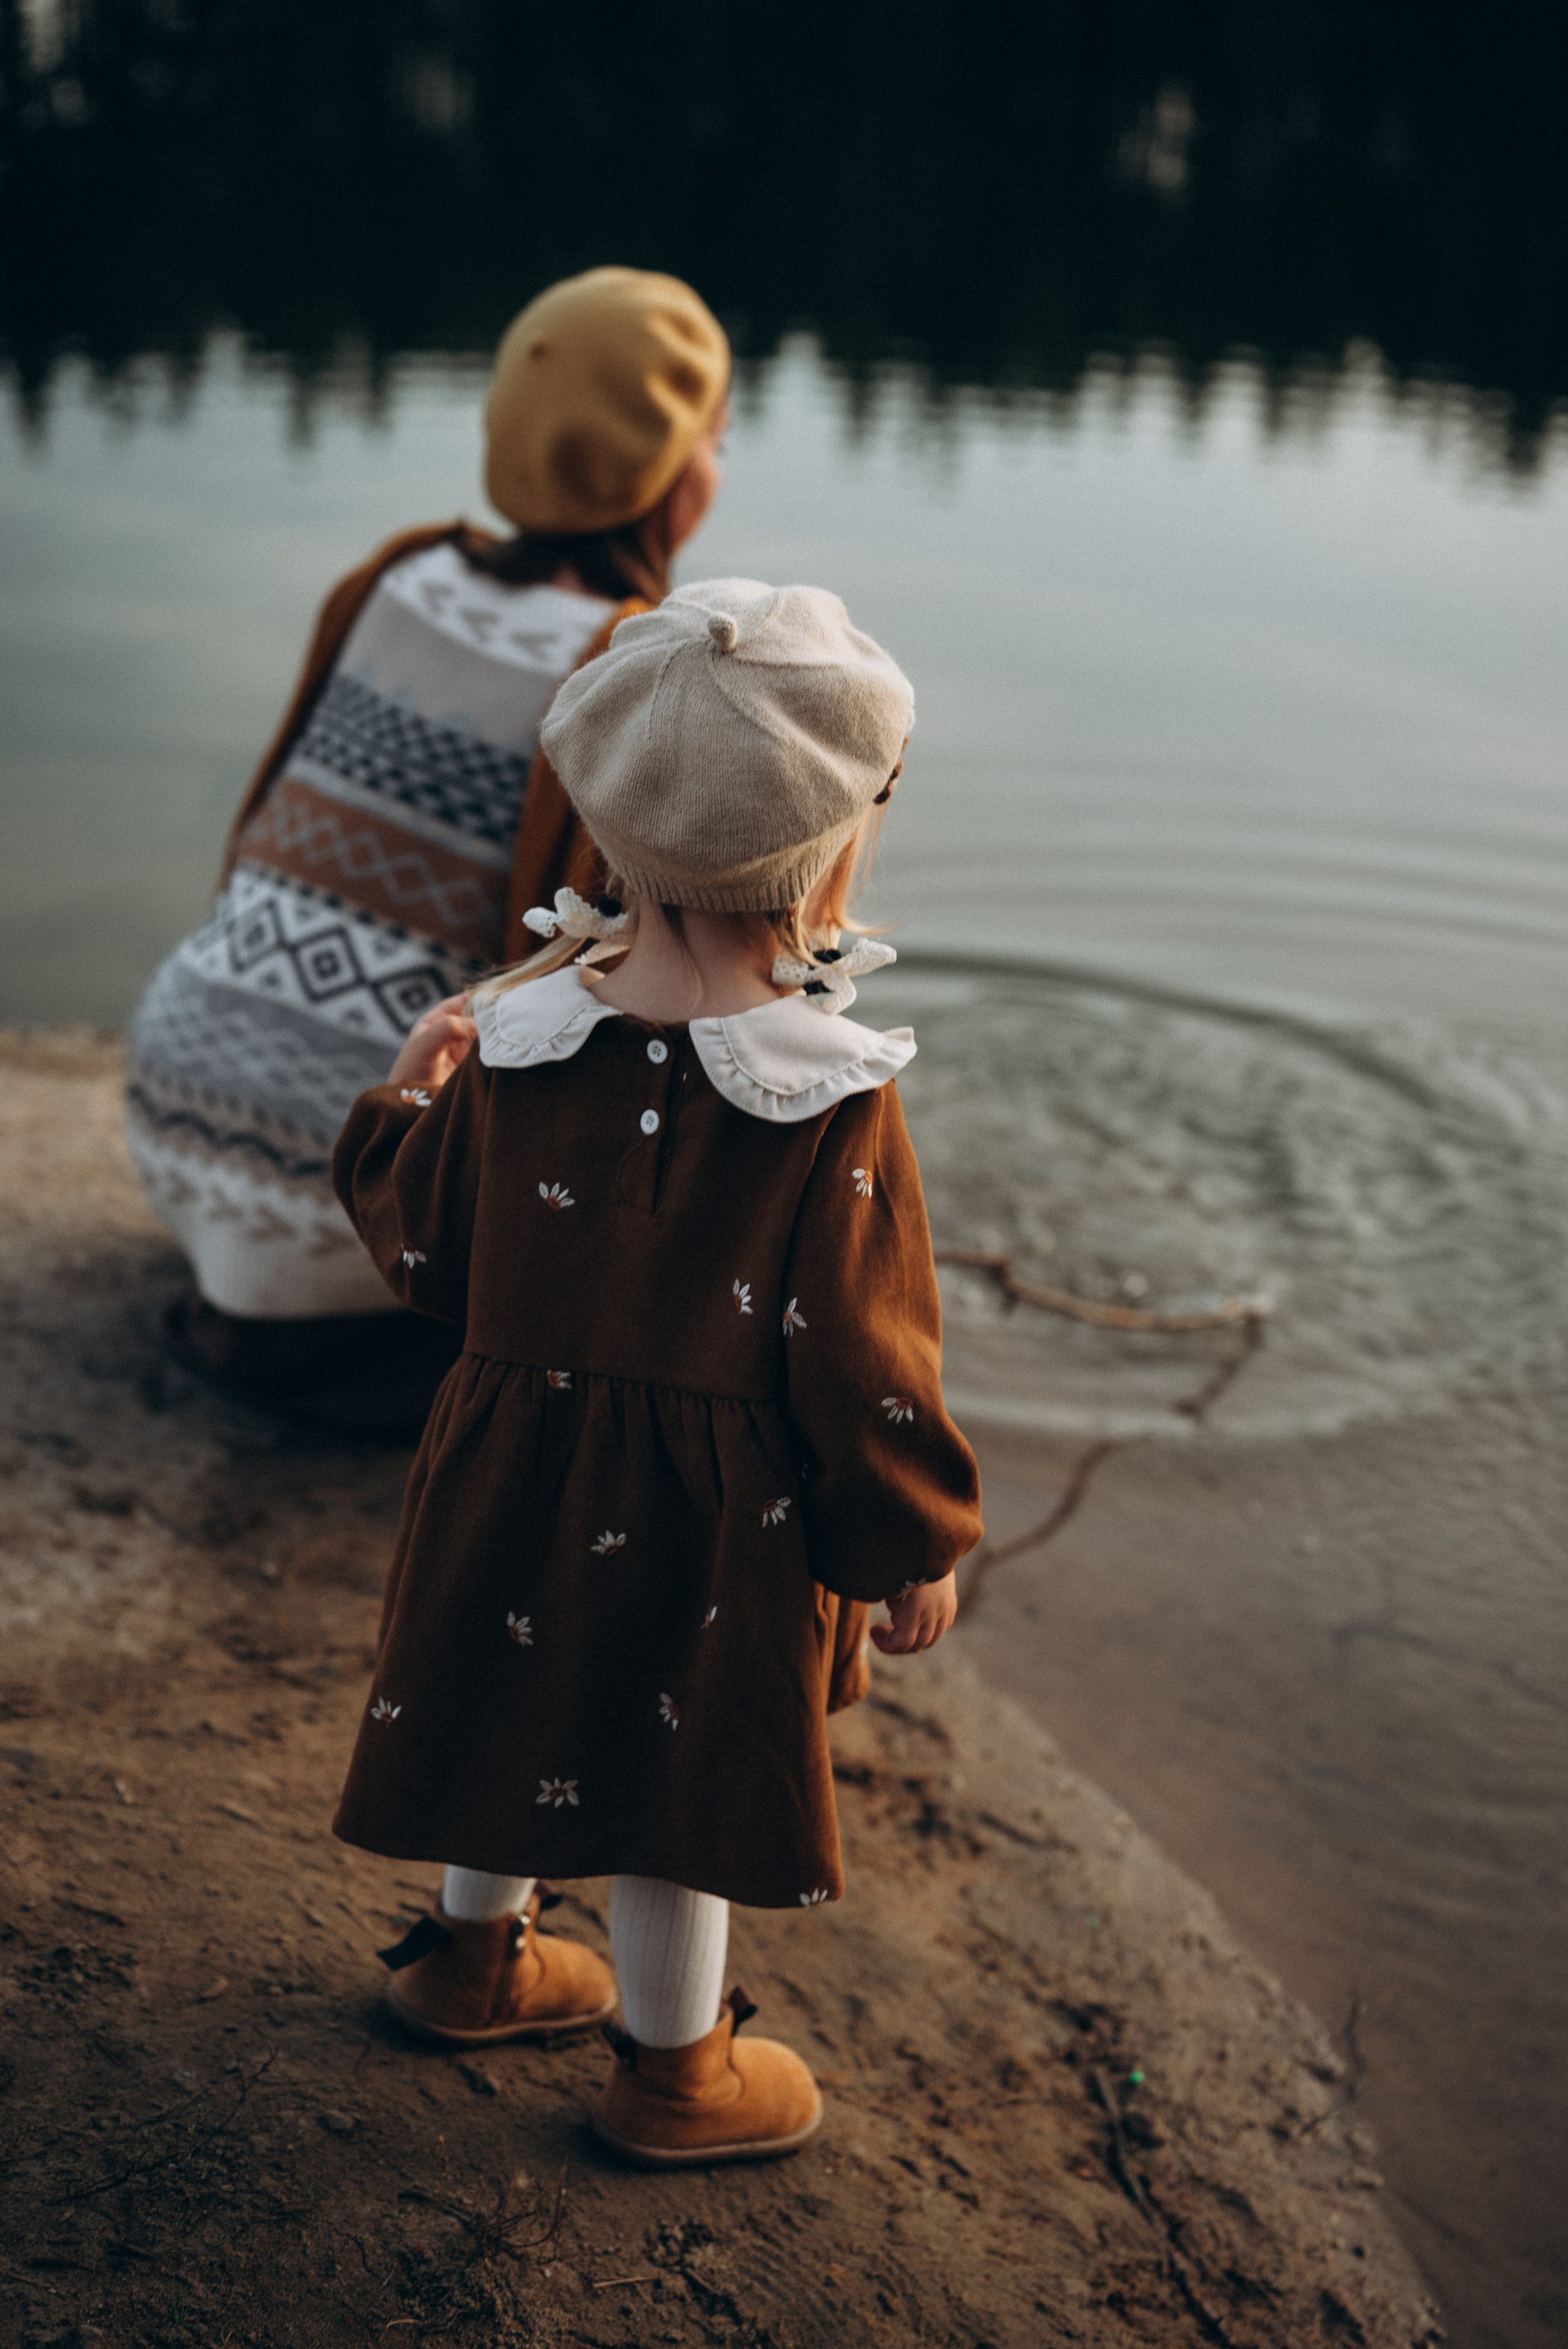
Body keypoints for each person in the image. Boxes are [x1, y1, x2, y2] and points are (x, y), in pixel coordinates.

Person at [330, 577, 984, 2163]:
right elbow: (862, 1356)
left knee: (510, 1685)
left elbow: (428, 1259)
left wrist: (403, 1103)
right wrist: (911, 1539)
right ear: (832, 843)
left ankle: (472, 1961)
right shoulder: (829, 1091)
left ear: (605, 812)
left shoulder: (518, 1033)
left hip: (509, 1473)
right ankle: (678, 2072)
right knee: (669, 1782)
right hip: (712, 1527)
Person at [124, 266, 731, 1435]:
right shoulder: (619, 666)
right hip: (364, 1172)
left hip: (174, 1107)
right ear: (660, 461)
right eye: (713, 436)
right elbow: (600, 982)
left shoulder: (395, 573)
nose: (716, 464)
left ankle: (264, 1297)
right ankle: (350, 1312)